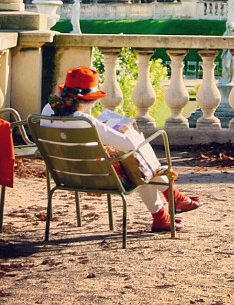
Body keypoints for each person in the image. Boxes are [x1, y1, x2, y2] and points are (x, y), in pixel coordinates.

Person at [41, 66, 204, 232]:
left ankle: (165, 212)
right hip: (98, 176)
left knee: (135, 162)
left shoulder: (47, 109)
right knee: (136, 159)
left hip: (67, 174)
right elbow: (128, 145)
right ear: (90, 100)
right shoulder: (85, 121)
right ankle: (173, 199)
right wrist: (126, 130)